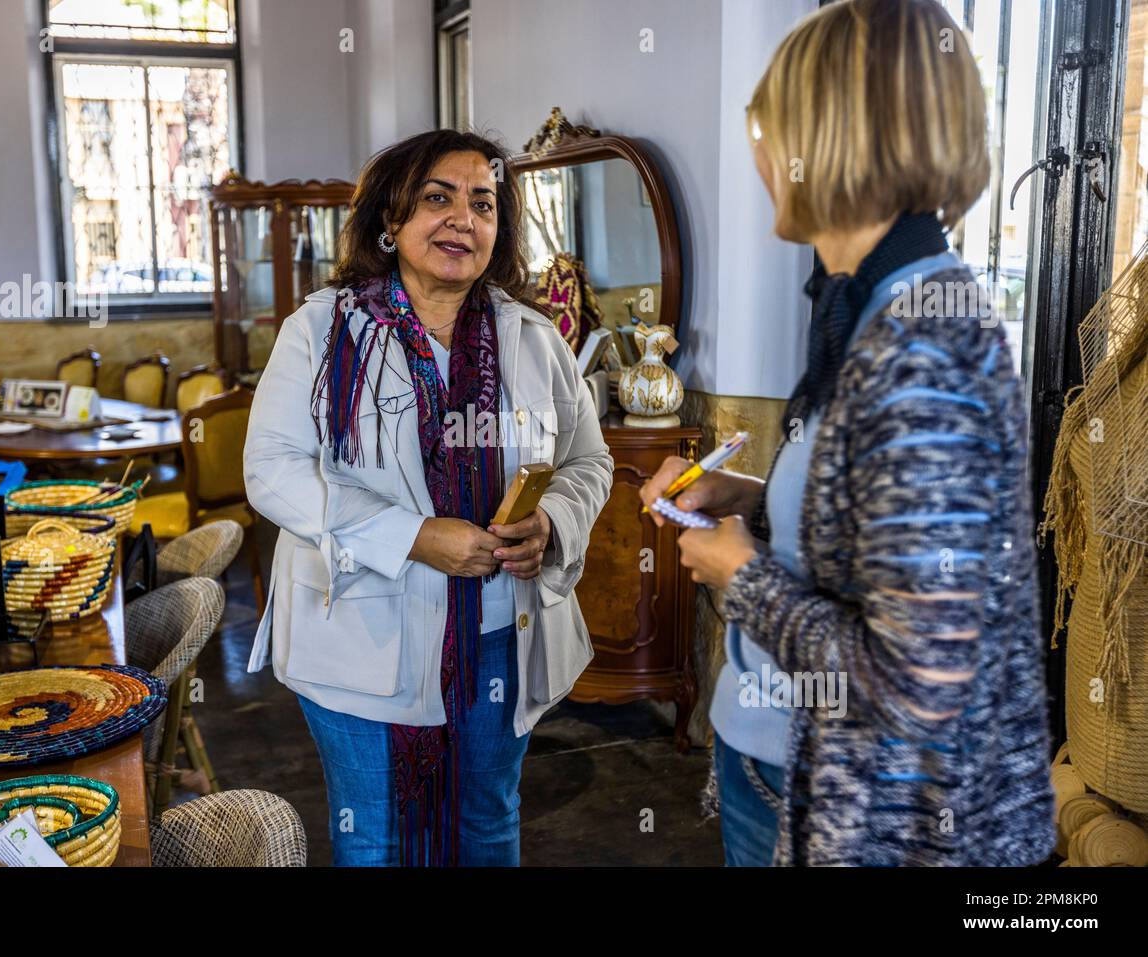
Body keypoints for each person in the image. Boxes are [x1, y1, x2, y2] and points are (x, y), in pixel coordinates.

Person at [641, 0, 1055, 866]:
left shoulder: (923, 343)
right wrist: (747, 502)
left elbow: (916, 683)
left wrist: (740, 575)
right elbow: (879, 538)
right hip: (803, 769)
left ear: (825, 137)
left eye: (764, 122)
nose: (754, 151)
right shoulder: (873, 310)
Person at [244, 129, 613, 866]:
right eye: (438, 198)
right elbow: (272, 469)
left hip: (499, 635)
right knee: (375, 836)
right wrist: (411, 535)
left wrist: (552, 521)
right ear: (390, 218)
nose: (463, 219)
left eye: (483, 202)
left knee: (487, 822)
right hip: (361, 635)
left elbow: (588, 459)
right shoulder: (321, 332)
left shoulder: (531, 338)